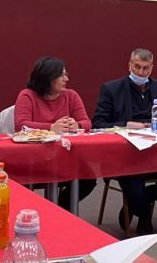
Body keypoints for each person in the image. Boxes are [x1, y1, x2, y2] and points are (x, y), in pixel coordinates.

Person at [92, 49, 157, 234]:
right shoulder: (111, 89)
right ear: (129, 65)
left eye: (146, 68)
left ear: (152, 68)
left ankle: (147, 198)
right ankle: (144, 217)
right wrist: (127, 124)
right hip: (127, 156)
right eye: (137, 67)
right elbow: (98, 124)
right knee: (134, 185)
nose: (141, 72)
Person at [14, 57, 96, 204]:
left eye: (66, 74)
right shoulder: (27, 95)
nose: (66, 79)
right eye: (61, 75)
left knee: (88, 178)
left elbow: (87, 123)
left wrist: (77, 125)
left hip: (64, 157)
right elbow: (21, 125)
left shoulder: (71, 95)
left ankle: (62, 209)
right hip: (33, 158)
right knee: (19, 181)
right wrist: (51, 128)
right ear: (48, 77)